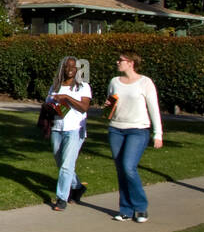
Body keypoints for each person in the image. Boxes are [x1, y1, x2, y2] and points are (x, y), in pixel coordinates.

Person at [105, 51, 163, 222]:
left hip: (138, 130)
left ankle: (140, 207)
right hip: (116, 129)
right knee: (121, 170)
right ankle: (126, 209)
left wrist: (157, 133)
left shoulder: (145, 82)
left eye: (120, 60)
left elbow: (154, 108)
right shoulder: (114, 81)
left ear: (130, 63)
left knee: (128, 167)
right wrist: (108, 105)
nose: (117, 62)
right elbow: (110, 103)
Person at [45, 56, 91, 211]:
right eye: (67, 66)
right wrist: (51, 106)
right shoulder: (55, 86)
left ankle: (62, 198)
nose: (70, 69)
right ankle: (77, 186)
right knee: (61, 163)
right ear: (62, 69)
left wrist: (67, 98)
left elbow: (84, 107)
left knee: (66, 165)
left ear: (77, 69)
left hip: (74, 129)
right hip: (57, 128)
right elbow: (48, 105)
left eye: (73, 66)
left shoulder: (83, 87)